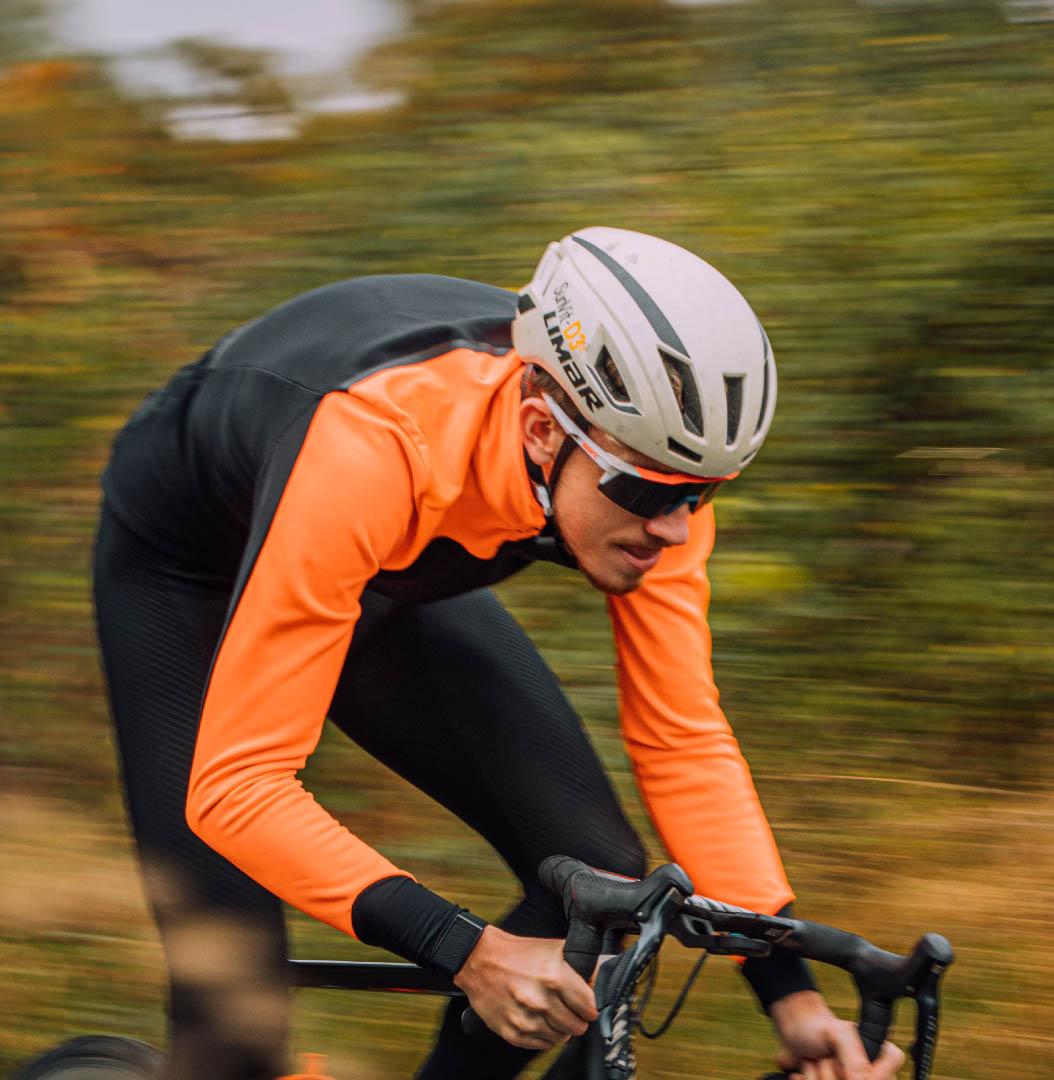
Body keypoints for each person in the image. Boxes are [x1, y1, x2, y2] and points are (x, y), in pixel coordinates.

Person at [93, 226, 904, 1080]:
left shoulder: (651, 486)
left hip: (377, 565)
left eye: (700, 493)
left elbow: (683, 742)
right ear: (540, 431)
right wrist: (469, 951)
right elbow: (237, 788)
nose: (675, 526)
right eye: (653, 491)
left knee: (596, 875)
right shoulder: (377, 442)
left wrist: (791, 995)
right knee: (236, 1017)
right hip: (186, 571)